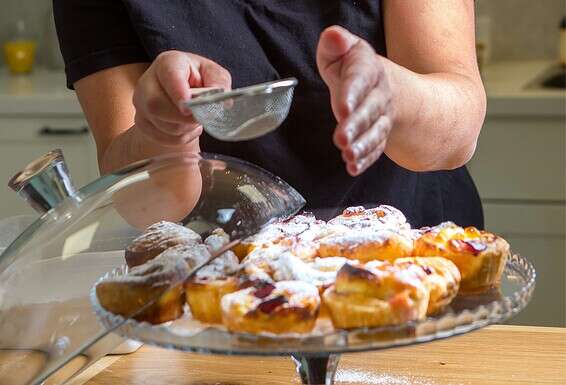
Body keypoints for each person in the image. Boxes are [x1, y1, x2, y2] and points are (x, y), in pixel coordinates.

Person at [53, 0, 486, 228]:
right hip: (224, 291)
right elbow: (140, 202)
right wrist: (165, 133)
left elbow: (456, 134)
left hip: (414, 269)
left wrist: (389, 93)